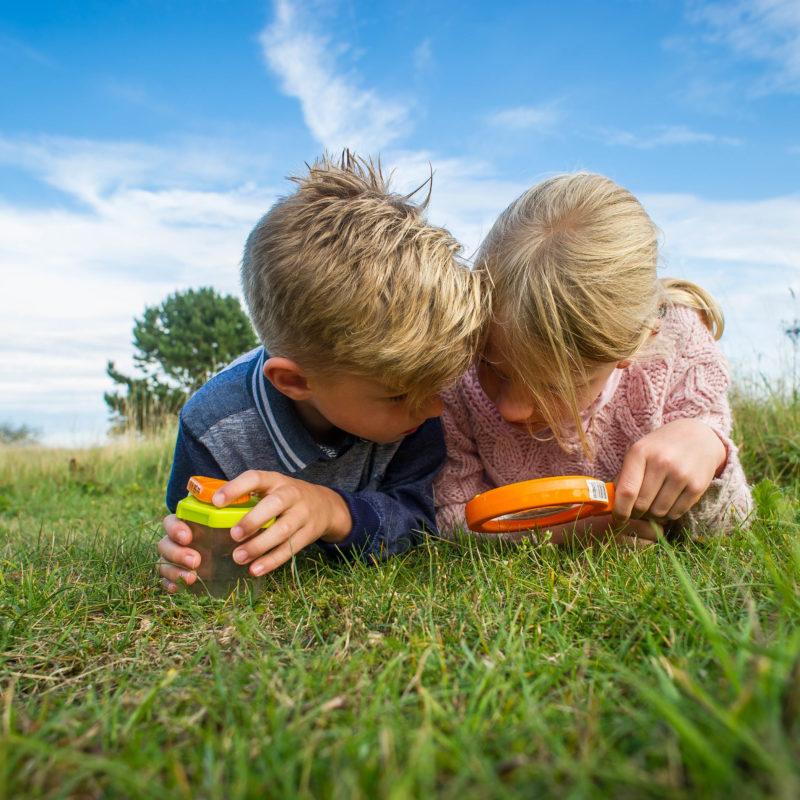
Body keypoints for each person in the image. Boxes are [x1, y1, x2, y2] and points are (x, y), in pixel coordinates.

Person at [157, 152, 485, 592]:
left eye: (435, 386)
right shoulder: (213, 427)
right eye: (396, 396)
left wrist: (332, 512)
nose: (433, 407)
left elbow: (420, 519)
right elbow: (192, 527)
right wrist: (188, 549)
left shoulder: (415, 407)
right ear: (294, 382)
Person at [434, 172, 752, 544]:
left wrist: (708, 449)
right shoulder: (457, 367)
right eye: (491, 366)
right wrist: (581, 531)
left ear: (632, 345)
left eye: (552, 385)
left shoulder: (680, 350)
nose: (511, 409)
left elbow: (729, 523)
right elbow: (449, 518)